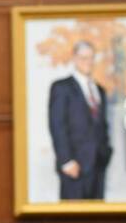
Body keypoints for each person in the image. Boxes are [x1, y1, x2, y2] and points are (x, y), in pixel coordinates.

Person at [48, 40, 112, 200]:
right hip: (74, 166)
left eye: (91, 58)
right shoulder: (61, 88)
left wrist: (106, 152)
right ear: (75, 59)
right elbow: (57, 126)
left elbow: (102, 125)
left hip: (98, 165)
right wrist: (66, 161)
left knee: (98, 220)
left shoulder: (100, 90)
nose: (88, 62)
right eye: (83, 58)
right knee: (72, 221)